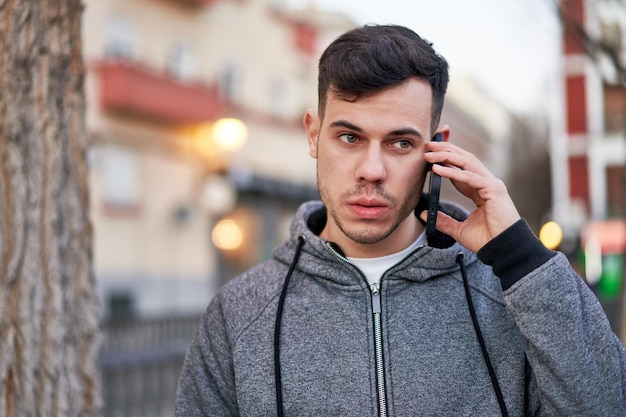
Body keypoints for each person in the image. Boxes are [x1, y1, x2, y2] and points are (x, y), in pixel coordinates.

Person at [175, 24, 626, 416]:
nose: (372, 169)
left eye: (400, 143)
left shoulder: (511, 297)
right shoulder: (238, 313)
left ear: (438, 147)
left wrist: (520, 256)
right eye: (349, 136)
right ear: (314, 134)